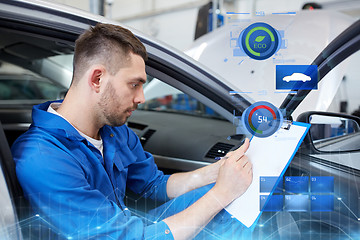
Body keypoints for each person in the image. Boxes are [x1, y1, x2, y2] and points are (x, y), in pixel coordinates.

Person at [11, 23, 253, 240]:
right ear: (97, 79)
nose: (142, 98)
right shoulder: (42, 157)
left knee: (232, 199)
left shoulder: (114, 131)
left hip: (129, 229)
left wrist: (216, 174)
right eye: (134, 84)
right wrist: (222, 193)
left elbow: (153, 185)